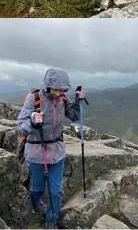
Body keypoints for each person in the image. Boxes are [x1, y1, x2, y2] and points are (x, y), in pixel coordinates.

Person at [17, 68, 86, 229]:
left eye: (62, 90)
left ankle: (51, 221)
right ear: (47, 86)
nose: (58, 93)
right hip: (36, 153)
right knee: (38, 188)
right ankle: (34, 205)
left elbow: (74, 116)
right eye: (56, 89)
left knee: (56, 191)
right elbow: (20, 128)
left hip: (57, 152)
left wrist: (78, 100)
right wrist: (32, 122)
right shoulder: (34, 98)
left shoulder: (62, 97)